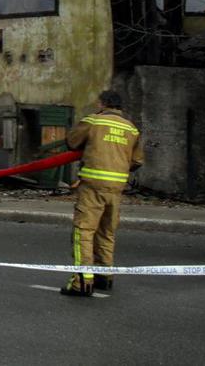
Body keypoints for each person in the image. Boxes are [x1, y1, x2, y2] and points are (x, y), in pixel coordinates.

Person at [61, 90, 143, 297]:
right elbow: (137, 161)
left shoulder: (94, 121)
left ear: (103, 104)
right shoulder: (131, 129)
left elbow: (72, 141)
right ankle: (104, 277)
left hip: (92, 185)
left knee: (84, 232)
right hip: (117, 188)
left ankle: (82, 282)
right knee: (106, 232)